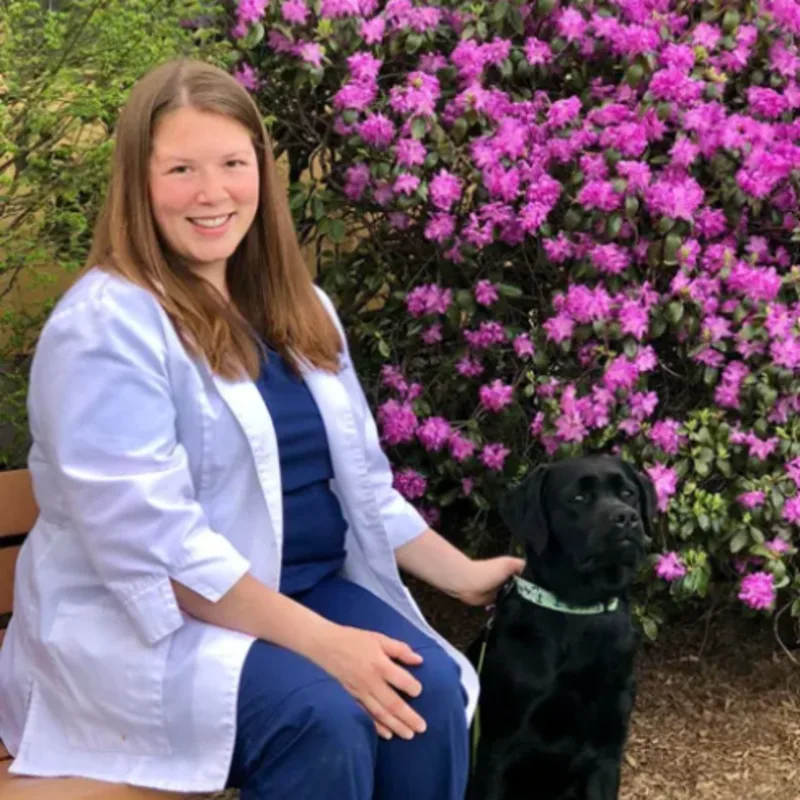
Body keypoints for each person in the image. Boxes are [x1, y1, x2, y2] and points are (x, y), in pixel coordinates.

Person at [0, 59, 524, 799]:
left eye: (231, 164)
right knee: (324, 716)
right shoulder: (105, 325)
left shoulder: (299, 305)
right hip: (155, 624)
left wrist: (464, 575)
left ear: (261, 172)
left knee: (429, 690)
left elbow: (363, 486)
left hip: (301, 591)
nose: (211, 192)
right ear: (137, 184)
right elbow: (158, 551)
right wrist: (327, 645)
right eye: (180, 169)